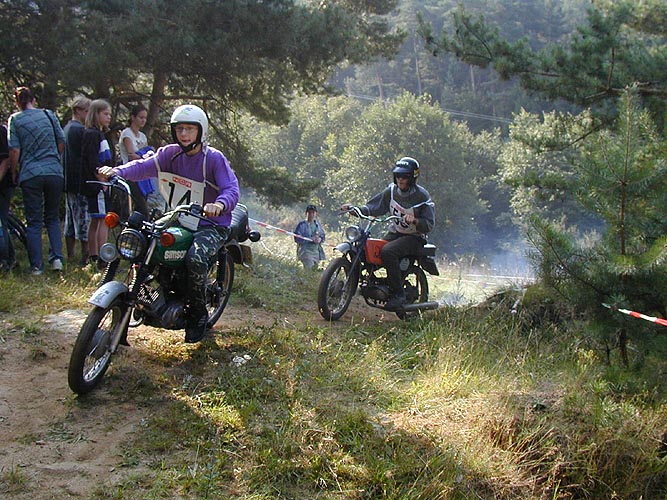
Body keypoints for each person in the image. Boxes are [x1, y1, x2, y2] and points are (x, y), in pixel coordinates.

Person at [98, 104, 240, 343]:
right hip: (179, 217)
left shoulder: (213, 159)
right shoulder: (169, 154)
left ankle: (197, 315)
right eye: (179, 129)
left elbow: (231, 189)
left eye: (189, 129)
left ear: (201, 131)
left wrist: (219, 204)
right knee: (143, 240)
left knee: (195, 258)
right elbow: (143, 167)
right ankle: (146, 295)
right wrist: (117, 172)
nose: (184, 134)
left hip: (210, 223)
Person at [342, 157, 435, 311]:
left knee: (388, 251)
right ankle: (367, 285)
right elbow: (374, 207)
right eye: (398, 176)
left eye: (404, 176)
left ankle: (398, 294)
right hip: (396, 233)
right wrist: (355, 209)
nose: (400, 179)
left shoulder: (422, 197)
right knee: (370, 250)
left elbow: (429, 224)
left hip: (415, 237)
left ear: (412, 178)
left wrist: (415, 220)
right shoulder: (391, 191)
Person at [8, 86, 65, 275]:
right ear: (33, 99)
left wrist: (14, 171)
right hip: (54, 171)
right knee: (52, 217)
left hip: (30, 173)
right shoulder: (48, 114)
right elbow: (61, 141)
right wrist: (53, 158)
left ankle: (37, 266)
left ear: (17, 102)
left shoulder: (15, 119)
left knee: (34, 221)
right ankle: (56, 259)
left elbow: (14, 150)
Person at [81, 99, 113, 269]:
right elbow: (92, 161)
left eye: (110, 114)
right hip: (97, 183)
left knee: (96, 219)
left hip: (99, 182)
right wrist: (101, 180)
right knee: (102, 219)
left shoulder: (98, 134)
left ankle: (93, 254)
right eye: (105, 114)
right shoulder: (92, 134)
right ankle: (102, 257)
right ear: (96, 114)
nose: (109, 117)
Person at [118, 104, 164, 215]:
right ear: (133, 117)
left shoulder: (142, 136)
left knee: (143, 203)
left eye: (145, 118)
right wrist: (144, 156)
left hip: (142, 175)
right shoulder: (127, 133)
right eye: (140, 117)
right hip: (130, 173)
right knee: (140, 206)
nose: (143, 120)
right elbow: (131, 155)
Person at [62, 96, 91, 266]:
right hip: (79, 181)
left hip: (69, 181)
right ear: (78, 111)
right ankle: (85, 256)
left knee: (70, 220)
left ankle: (71, 254)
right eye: (87, 111)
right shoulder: (79, 130)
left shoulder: (67, 128)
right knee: (82, 220)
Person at [293, 204, 326, 270]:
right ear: (306, 213)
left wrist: (320, 239)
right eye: (309, 212)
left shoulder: (318, 225)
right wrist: (310, 239)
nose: (311, 214)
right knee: (309, 270)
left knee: (314, 271)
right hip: (305, 252)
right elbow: (297, 238)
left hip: (316, 253)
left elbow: (323, 236)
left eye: (313, 212)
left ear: (316, 214)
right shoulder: (302, 225)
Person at [0, 123, 14, 272]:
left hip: (3, 185)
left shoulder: (1, 131)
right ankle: (10, 258)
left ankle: (4, 261)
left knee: (1, 222)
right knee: (3, 222)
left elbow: (5, 160)